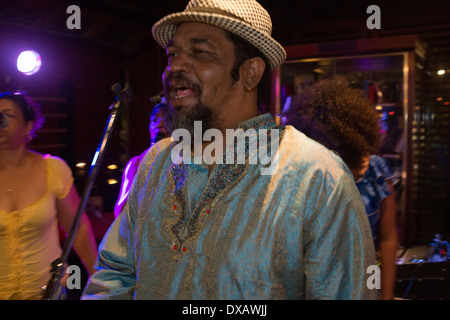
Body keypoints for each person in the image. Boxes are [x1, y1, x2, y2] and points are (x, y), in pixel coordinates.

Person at [82, 0, 377, 300]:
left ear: (250, 72)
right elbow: (115, 275)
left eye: (200, 52)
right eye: (173, 54)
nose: (175, 67)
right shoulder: (156, 162)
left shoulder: (317, 176)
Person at [285, 78, 398, 299]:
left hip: (365, 273)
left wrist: (386, 296)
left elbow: (387, 238)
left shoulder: (376, 170)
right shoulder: (309, 174)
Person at [0, 92, 98, 299]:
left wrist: (99, 281)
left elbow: (78, 228)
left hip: (49, 294)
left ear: (28, 126)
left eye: (7, 115)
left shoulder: (52, 169)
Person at [114, 101, 170, 218]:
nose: (158, 125)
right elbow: (120, 214)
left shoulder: (188, 163)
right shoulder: (136, 164)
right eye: (154, 120)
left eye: (166, 119)